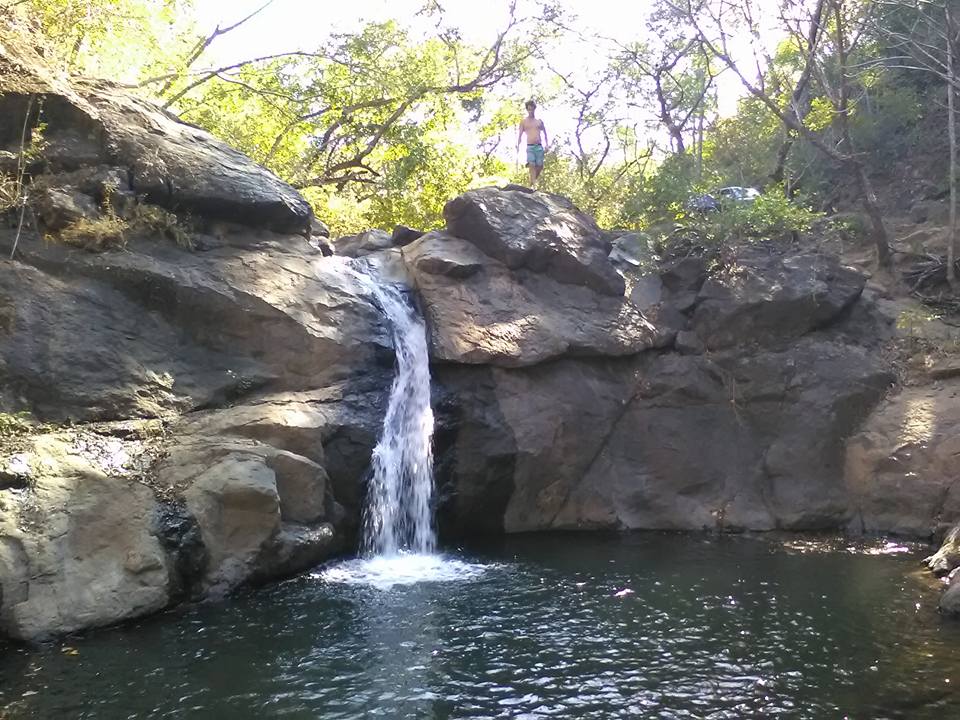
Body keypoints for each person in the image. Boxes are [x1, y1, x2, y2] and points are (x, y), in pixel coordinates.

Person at [517, 99, 548, 188]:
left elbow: (545, 133)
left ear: (535, 109)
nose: (530, 111)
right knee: (532, 164)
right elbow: (520, 134)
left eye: (532, 109)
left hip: (539, 146)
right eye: (529, 109)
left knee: (540, 166)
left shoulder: (539, 121)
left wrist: (547, 144)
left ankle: (532, 180)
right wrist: (518, 144)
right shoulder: (524, 122)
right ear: (527, 110)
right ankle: (534, 185)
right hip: (530, 146)